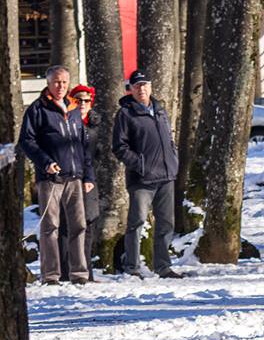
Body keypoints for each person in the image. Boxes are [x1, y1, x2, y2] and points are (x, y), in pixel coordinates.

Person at [18, 65, 94, 285]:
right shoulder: (38, 109)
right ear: (48, 84)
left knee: (79, 225)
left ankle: (79, 273)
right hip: (51, 178)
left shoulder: (73, 109)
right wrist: (45, 163)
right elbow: (26, 141)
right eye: (56, 82)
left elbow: (82, 145)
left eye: (64, 82)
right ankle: (51, 275)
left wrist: (88, 176)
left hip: (75, 177)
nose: (60, 86)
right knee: (50, 226)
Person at [112, 69, 182, 278]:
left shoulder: (160, 110)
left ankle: (163, 266)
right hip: (141, 179)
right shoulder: (125, 114)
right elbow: (119, 147)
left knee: (166, 223)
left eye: (144, 85)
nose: (141, 89)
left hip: (166, 176)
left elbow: (169, 139)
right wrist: (140, 165)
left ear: (150, 87)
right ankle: (132, 268)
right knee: (137, 222)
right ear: (130, 89)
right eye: (137, 86)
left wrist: (173, 159)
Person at [58, 84, 100, 281]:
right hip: (68, 179)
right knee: (67, 225)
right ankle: (66, 271)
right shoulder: (65, 121)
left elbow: (99, 153)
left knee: (87, 225)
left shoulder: (96, 124)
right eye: (78, 99)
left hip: (89, 181)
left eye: (87, 100)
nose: (83, 104)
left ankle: (86, 271)